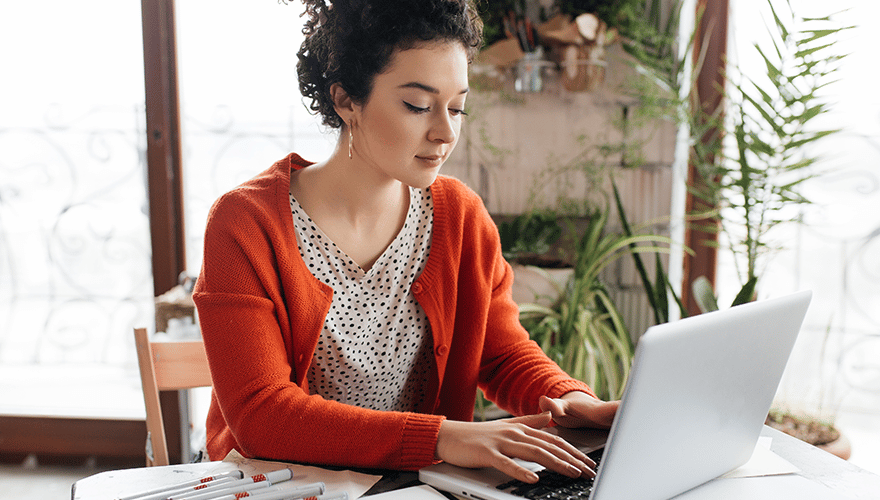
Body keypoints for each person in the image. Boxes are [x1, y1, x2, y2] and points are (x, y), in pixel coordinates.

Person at [193, 0, 619, 485]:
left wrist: (575, 403)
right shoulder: (245, 225)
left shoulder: (460, 217)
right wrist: (442, 437)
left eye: (457, 107)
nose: (445, 132)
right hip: (281, 487)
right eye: (417, 106)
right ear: (346, 100)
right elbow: (262, 417)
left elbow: (500, 355)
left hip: (412, 488)